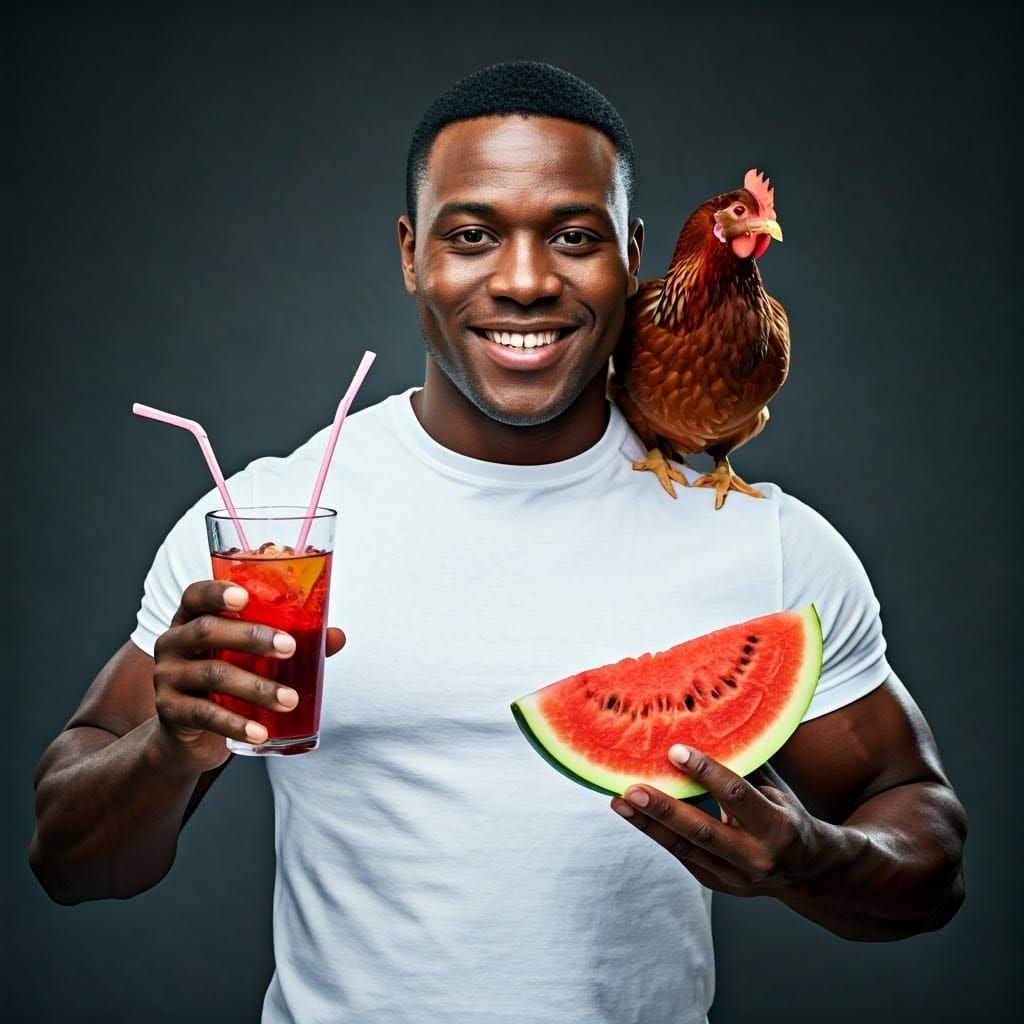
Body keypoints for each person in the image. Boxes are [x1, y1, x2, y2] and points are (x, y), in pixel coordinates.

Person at [30, 61, 967, 1023]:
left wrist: (813, 858)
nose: (523, 282)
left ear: (633, 256)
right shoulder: (270, 531)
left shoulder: (763, 542)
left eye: (573, 236)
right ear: (410, 255)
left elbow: (926, 850)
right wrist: (167, 749)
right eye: (472, 236)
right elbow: (68, 865)